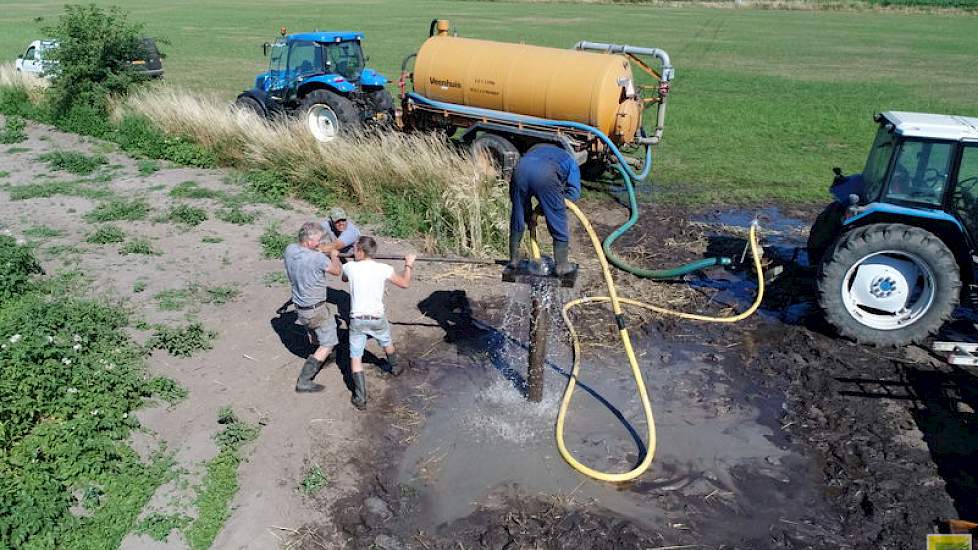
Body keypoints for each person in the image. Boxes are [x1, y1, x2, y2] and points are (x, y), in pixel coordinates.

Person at [341, 236, 415, 410]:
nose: (352, 252)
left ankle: (361, 398)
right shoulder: (384, 268)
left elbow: (344, 278)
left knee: (356, 357)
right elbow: (405, 283)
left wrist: (337, 256)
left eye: (354, 249)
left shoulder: (350, 267)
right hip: (377, 318)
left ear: (360, 251)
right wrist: (409, 264)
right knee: (386, 341)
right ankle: (395, 367)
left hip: (357, 319)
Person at [284, 222, 342, 393]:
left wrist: (319, 250)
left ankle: (323, 356)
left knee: (315, 330)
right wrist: (333, 255)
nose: (320, 243)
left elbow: (309, 253)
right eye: (317, 241)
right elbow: (337, 271)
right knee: (329, 341)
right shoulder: (318, 259)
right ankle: (304, 380)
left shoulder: (290, 250)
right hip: (316, 309)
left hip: (300, 306)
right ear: (308, 242)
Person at [509, 144, 581, 276]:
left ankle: (514, 259)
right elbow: (574, 194)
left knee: (517, 212)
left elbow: (523, 204)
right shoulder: (570, 161)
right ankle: (562, 266)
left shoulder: (536, 152)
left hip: (520, 168)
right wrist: (547, 206)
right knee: (557, 218)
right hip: (546, 174)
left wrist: (531, 214)